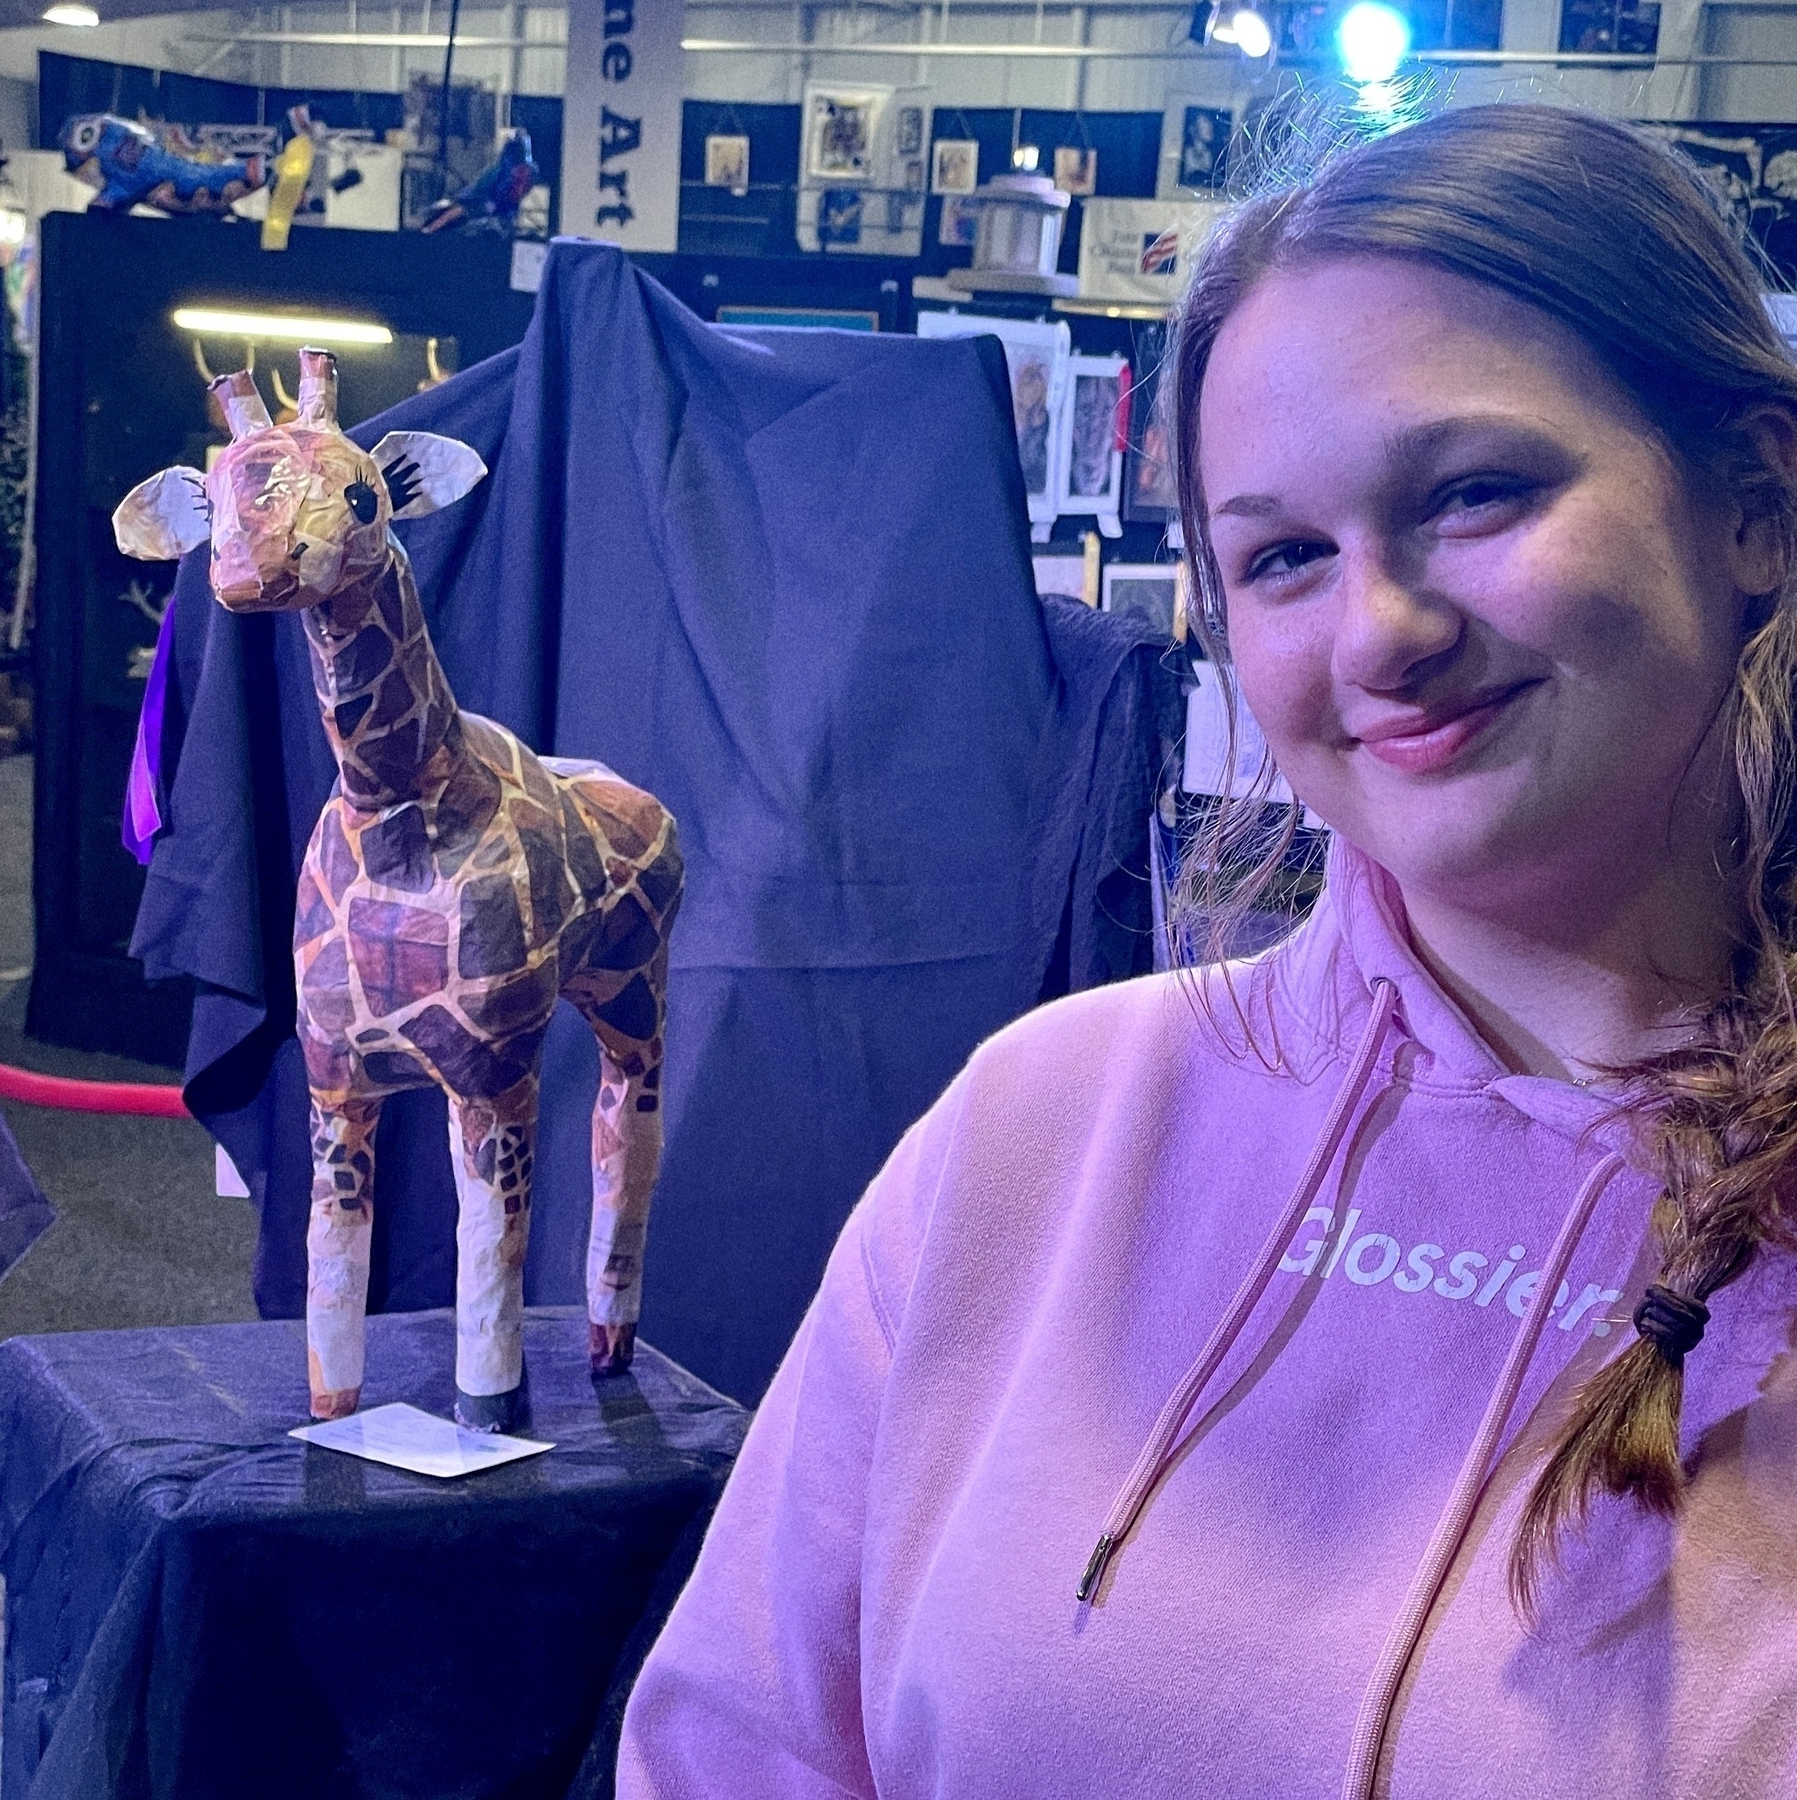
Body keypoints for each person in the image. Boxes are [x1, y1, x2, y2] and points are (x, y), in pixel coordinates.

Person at [617, 103, 1797, 1796]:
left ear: (1755, 502)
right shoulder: (1046, 1126)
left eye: (1473, 493)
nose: (1380, 633)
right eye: (1287, 556)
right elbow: (739, 1752)